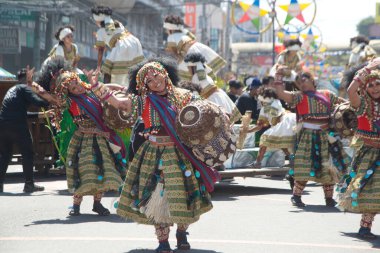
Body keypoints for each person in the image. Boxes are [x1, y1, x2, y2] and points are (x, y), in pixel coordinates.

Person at [89, 58, 217, 253]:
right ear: (144, 85)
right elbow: (118, 103)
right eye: (149, 81)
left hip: (180, 154)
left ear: (164, 75)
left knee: (185, 195)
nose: (155, 82)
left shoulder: (185, 97)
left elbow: (203, 114)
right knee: (156, 197)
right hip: (153, 154)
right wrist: (97, 86)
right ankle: (163, 242)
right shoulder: (143, 101)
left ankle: (181, 234)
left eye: (156, 76)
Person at [28, 58, 126, 216]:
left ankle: (97, 204)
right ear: (68, 92)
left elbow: (105, 88)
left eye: (78, 84)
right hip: (83, 141)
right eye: (73, 88)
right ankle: (76, 206)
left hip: (101, 140)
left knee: (102, 171)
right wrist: (31, 84)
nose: (77, 88)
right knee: (84, 172)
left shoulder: (92, 94)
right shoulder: (70, 102)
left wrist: (121, 87)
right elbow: (49, 97)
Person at [272, 69, 349, 207]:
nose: (302, 84)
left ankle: (329, 198)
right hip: (307, 137)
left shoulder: (327, 94)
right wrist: (279, 76)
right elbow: (281, 94)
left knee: (328, 167)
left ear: (312, 81)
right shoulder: (299, 96)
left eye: (304, 80)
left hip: (326, 136)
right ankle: (296, 196)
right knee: (304, 166)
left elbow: (344, 105)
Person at [337, 58, 380, 239]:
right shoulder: (361, 105)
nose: (375, 88)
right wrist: (366, 69)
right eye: (370, 85)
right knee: (371, 189)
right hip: (369, 154)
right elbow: (350, 90)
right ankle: (365, 227)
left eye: (378, 84)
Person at [0, 69, 58, 193]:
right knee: (28, 153)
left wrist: (40, 114)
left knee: (5, 155)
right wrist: (49, 100)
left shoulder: (12, 90)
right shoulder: (24, 88)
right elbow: (37, 102)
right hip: (17, 125)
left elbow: (21, 112)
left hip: (3, 125)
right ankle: (29, 184)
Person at [91, 5, 145, 86]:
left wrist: (98, 67)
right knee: (135, 69)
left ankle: (108, 91)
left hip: (122, 46)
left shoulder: (100, 31)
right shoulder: (117, 23)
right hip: (133, 42)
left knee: (107, 70)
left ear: (98, 20)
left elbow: (101, 50)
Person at [163, 14, 226, 81]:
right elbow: (193, 39)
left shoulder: (171, 37)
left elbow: (173, 54)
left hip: (189, 53)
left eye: (166, 29)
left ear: (170, 29)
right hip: (199, 48)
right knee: (202, 72)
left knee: (191, 78)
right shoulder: (185, 32)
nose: (166, 31)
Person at [184, 53, 241, 124]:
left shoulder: (196, 77)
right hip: (218, 98)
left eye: (189, 68)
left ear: (193, 67)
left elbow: (195, 95)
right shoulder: (204, 75)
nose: (188, 70)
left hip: (213, 100)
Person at [247, 87, 296, 168]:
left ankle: (257, 162)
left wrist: (248, 131)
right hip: (291, 119)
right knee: (282, 143)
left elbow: (259, 126)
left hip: (283, 123)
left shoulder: (265, 107)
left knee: (264, 139)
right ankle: (292, 159)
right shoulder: (276, 101)